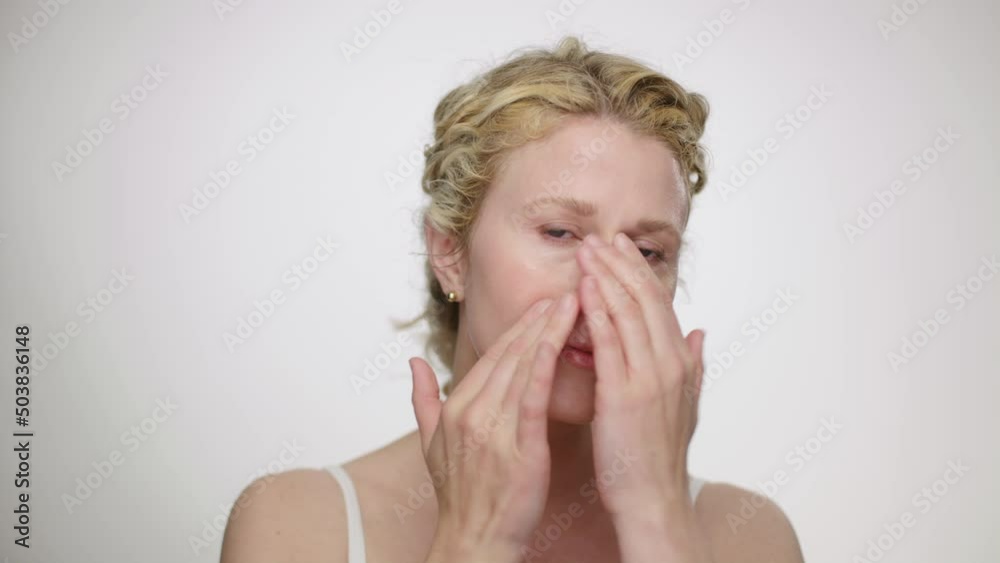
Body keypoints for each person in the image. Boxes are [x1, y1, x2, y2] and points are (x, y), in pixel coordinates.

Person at [220, 36, 805, 563]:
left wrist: (656, 517)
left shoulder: (748, 537)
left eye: (647, 252)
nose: (601, 289)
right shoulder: (296, 523)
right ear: (450, 251)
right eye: (560, 232)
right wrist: (473, 545)